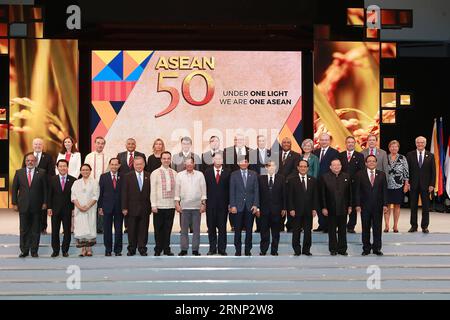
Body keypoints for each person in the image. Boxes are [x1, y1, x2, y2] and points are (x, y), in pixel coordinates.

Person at [12, 153, 48, 258]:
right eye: (28, 160)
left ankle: (34, 251)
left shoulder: (41, 172)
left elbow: (45, 189)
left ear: (35, 162)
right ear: (25, 161)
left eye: (32, 160)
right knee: (23, 229)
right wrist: (14, 203)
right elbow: (14, 189)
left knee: (36, 230)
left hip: (37, 206)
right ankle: (24, 250)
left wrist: (45, 202)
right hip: (23, 205)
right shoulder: (19, 173)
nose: (30, 162)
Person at [355, 155, 388, 256]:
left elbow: (384, 191)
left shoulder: (382, 174)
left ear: (376, 162)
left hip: (378, 206)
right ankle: (366, 248)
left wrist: (385, 204)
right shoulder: (359, 174)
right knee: (365, 228)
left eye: (373, 161)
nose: (371, 163)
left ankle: (377, 248)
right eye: (369, 161)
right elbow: (357, 191)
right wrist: (357, 204)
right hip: (364, 206)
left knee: (377, 228)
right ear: (365, 163)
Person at [175, 157, 207, 256]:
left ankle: (195, 250)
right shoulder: (179, 175)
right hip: (184, 207)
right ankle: (184, 249)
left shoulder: (200, 175)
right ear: (185, 164)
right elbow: (177, 191)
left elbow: (203, 190)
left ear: (194, 164)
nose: (189, 165)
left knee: (196, 230)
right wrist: (177, 204)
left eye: (191, 163)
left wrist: (203, 204)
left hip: (197, 207)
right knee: (184, 230)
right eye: (187, 163)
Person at [22, 138, 54, 234]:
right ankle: (30, 227)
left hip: (43, 187)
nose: (37, 146)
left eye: (40, 144)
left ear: (42, 146)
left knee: (43, 208)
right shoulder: (27, 156)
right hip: (30, 186)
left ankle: (43, 227)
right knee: (30, 206)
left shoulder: (48, 157)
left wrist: (44, 182)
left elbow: (51, 172)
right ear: (32, 145)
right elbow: (23, 170)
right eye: (35, 144)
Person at [320, 159, 352, 256]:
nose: (336, 167)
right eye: (334, 165)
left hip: (343, 208)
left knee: (343, 230)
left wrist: (350, 206)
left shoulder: (347, 176)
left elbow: (350, 193)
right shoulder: (324, 177)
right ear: (330, 167)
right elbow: (322, 194)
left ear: (341, 166)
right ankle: (333, 249)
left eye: (338, 165)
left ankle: (342, 249)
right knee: (332, 231)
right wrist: (324, 207)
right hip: (330, 209)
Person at [287, 160, 319, 256]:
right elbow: (290, 197)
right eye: (301, 166)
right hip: (296, 211)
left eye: (305, 166)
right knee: (296, 231)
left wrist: (314, 209)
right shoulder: (292, 180)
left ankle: (306, 250)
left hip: (309, 211)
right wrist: (291, 209)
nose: (303, 168)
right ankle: (297, 250)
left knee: (308, 232)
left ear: (308, 168)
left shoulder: (313, 180)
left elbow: (315, 196)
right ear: (298, 168)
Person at [229, 156, 260, 256]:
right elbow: (231, 191)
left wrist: (256, 205)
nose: (243, 163)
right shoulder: (234, 175)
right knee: (237, 230)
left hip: (250, 207)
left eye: (245, 162)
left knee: (249, 230)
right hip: (237, 207)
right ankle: (237, 250)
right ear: (238, 163)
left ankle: (248, 250)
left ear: (248, 163)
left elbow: (256, 191)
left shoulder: (254, 174)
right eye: (241, 162)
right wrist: (232, 205)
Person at [121, 156, 151, 256]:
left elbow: (151, 193)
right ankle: (132, 249)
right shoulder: (127, 176)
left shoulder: (149, 175)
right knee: (132, 230)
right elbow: (124, 193)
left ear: (144, 164)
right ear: (133, 165)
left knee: (143, 230)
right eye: (136, 164)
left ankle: (142, 248)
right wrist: (124, 207)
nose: (139, 166)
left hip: (145, 208)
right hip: (131, 208)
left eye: (140, 164)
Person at [406, 136, 436, 233]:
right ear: (416, 144)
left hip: (426, 185)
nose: (420, 144)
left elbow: (433, 172)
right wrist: (407, 182)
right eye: (418, 142)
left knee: (426, 207)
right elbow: (407, 171)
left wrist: (432, 184)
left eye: (422, 142)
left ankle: (425, 226)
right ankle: (413, 226)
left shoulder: (430, 156)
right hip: (413, 185)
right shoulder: (410, 155)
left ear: (425, 144)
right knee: (413, 206)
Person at [150, 151, 177, 256]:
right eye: (164, 158)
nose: (166, 160)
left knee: (168, 229)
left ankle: (167, 249)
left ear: (170, 160)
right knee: (158, 229)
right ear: (161, 160)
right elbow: (153, 190)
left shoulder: (174, 173)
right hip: (159, 206)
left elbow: (176, 190)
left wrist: (176, 203)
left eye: (168, 158)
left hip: (170, 206)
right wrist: (153, 204)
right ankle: (158, 249)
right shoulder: (155, 173)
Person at [117, 138, 146, 233]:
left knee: (136, 204)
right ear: (126, 145)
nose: (131, 145)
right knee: (126, 203)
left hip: (138, 183)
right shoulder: (120, 155)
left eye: (133, 144)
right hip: (124, 184)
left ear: (135, 145)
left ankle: (137, 225)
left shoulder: (141, 155)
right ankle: (127, 226)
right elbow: (118, 169)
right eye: (129, 144)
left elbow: (145, 169)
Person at [47, 159, 76, 257]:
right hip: (55, 209)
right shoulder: (52, 179)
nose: (63, 168)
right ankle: (55, 250)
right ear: (57, 167)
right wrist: (49, 208)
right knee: (55, 231)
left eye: (64, 166)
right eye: (60, 166)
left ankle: (65, 250)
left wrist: (73, 209)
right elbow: (49, 195)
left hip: (68, 210)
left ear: (67, 167)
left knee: (67, 231)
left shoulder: (73, 180)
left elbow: (74, 196)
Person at [204, 153, 231, 256]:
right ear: (213, 160)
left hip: (223, 206)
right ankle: (212, 248)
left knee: (222, 228)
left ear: (222, 160)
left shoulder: (228, 172)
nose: (218, 160)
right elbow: (204, 188)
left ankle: (222, 249)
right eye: (216, 158)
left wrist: (229, 203)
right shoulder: (207, 172)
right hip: (210, 205)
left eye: (220, 159)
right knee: (211, 228)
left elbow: (229, 189)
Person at [258, 161, 286, 256]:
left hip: (277, 210)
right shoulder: (260, 178)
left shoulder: (281, 178)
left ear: (276, 167)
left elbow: (284, 195)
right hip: (264, 210)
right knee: (264, 231)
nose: (271, 167)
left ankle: (274, 250)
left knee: (275, 232)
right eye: (268, 166)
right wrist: (258, 208)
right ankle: (263, 250)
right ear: (266, 168)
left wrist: (284, 208)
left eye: (273, 165)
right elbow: (258, 195)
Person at [71, 164, 99, 257]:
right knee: (81, 228)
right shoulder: (76, 182)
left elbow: (96, 196)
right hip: (79, 209)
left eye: (87, 170)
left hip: (90, 208)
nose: (85, 171)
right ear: (80, 171)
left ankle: (89, 249)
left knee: (90, 227)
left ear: (90, 171)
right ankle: (83, 249)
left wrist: (87, 206)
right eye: (83, 170)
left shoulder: (94, 182)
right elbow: (73, 196)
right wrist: (79, 206)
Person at [313, 133, 339, 233]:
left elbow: (335, 168)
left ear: (329, 141)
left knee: (329, 204)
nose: (324, 141)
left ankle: (330, 226)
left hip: (329, 182)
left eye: (326, 140)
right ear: (319, 140)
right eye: (322, 140)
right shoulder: (315, 152)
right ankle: (322, 224)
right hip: (317, 183)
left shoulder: (334, 152)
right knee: (319, 204)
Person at [338, 136, 365, 233]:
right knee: (342, 205)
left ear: (355, 144)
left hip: (355, 185)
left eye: (352, 142)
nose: (350, 144)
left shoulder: (360, 156)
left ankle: (351, 226)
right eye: (348, 142)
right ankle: (341, 225)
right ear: (345, 144)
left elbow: (362, 171)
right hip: (342, 185)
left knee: (353, 206)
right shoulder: (340, 155)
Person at [84, 136, 110, 234]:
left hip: (103, 186)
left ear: (104, 145)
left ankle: (101, 227)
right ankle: (91, 227)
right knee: (91, 206)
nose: (100, 145)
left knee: (102, 206)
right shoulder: (89, 156)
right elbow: (85, 170)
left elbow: (108, 171)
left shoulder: (108, 157)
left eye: (102, 143)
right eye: (98, 143)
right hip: (91, 185)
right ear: (95, 144)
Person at [55, 136, 81, 234]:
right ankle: (65, 228)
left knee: (72, 205)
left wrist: (72, 179)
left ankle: (72, 227)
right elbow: (57, 167)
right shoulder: (60, 154)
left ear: (72, 143)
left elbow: (78, 167)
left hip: (72, 181)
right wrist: (60, 178)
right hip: (61, 181)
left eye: (69, 142)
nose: (67, 144)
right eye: (65, 142)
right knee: (63, 204)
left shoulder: (77, 154)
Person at [98, 158, 123, 256]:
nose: (114, 166)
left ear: (119, 166)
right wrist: (100, 207)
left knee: (118, 230)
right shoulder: (103, 177)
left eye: (116, 164)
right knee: (107, 230)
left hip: (119, 207)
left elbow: (124, 193)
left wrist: (125, 207)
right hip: (106, 207)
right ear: (109, 165)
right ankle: (108, 249)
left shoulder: (123, 176)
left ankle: (118, 250)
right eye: (112, 164)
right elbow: (101, 192)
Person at [277, 137, 301, 232]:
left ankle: (290, 226)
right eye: (284, 142)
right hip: (278, 185)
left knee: (291, 204)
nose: (286, 144)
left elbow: (296, 170)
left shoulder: (296, 155)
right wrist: (279, 180)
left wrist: (285, 179)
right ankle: (279, 225)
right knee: (280, 205)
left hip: (290, 184)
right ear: (281, 144)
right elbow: (273, 168)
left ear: (291, 144)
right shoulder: (276, 154)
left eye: (288, 142)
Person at [385, 140, 409, 233]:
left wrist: (406, 183)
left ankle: (395, 226)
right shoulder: (385, 157)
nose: (393, 148)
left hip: (399, 184)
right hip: (386, 185)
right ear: (389, 148)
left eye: (395, 147)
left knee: (397, 205)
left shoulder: (403, 158)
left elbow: (406, 171)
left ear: (398, 148)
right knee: (386, 206)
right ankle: (386, 225)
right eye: (392, 146)